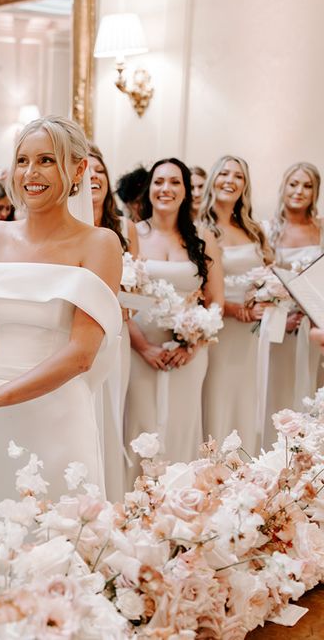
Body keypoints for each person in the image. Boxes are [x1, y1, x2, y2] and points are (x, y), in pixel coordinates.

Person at [0, 115, 122, 506]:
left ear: (78, 169)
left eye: (47, 160)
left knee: (63, 535)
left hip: (58, 417)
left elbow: (82, 354)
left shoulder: (99, 244)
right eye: (22, 161)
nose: (31, 173)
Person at [125, 158, 223, 474]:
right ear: (149, 188)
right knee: (141, 424)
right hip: (139, 349)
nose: (165, 189)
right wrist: (143, 347)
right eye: (159, 182)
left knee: (182, 423)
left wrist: (194, 345)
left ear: (185, 192)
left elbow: (215, 298)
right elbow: (119, 298)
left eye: (174, 182)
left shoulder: (203, 236)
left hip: (190, 354)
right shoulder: (132, 234)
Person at [199, 156, 272, 455]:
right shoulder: (201, 229)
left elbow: (269, 273)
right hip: (220, 328)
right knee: (217, 395)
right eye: (224, 174)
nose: (230, 180)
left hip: (250, 333)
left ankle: (243, 472)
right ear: (213, 180)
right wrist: (235, 310)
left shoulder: (254, 230)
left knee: (245, 396)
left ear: (245, 186)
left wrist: (267, 297)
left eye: (238, 176)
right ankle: (214, 469)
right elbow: (199, 289)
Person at [88, 145, 138, 502]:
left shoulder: (124, 227)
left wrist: (129, 302)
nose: (93, 177)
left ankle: (113, 497)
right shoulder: (63, 227)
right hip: (77, 337)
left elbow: (139, 283)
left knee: (112, 414)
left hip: (116, 337)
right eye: (86, 171)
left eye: (100, 172)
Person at [264, 163, 323, 423]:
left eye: (307, 186)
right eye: (294, 184)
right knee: (278, 391)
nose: (299, 191)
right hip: (280, 325)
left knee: (311, 393)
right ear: (283, 187)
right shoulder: (266, 230)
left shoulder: (321, 230)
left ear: (315, 193)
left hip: (314, 325)